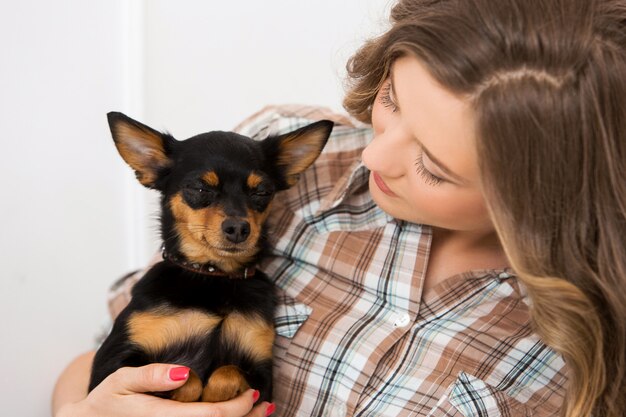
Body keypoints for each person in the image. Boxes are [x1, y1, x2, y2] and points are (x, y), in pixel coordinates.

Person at [52, 0, 626, 416]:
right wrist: (81, 411)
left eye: (432, 164)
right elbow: (100, 352)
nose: (372, 153)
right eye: (389, 101)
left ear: (540, 196)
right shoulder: (284, 155)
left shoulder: (589, 337)